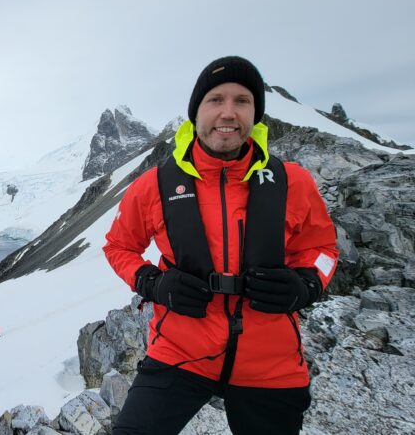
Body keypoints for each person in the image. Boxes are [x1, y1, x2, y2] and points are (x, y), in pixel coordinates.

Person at [103, 56, 338, 435]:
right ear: (196, 113)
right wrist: (152, 283)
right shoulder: (155, 185)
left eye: (242, 101)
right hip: (179, 353)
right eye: (215, 100)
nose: (228, 113)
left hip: (271, 363)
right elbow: (118, 246)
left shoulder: (293, 182)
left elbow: (325, 250)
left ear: (255, 114)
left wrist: (307, 284)